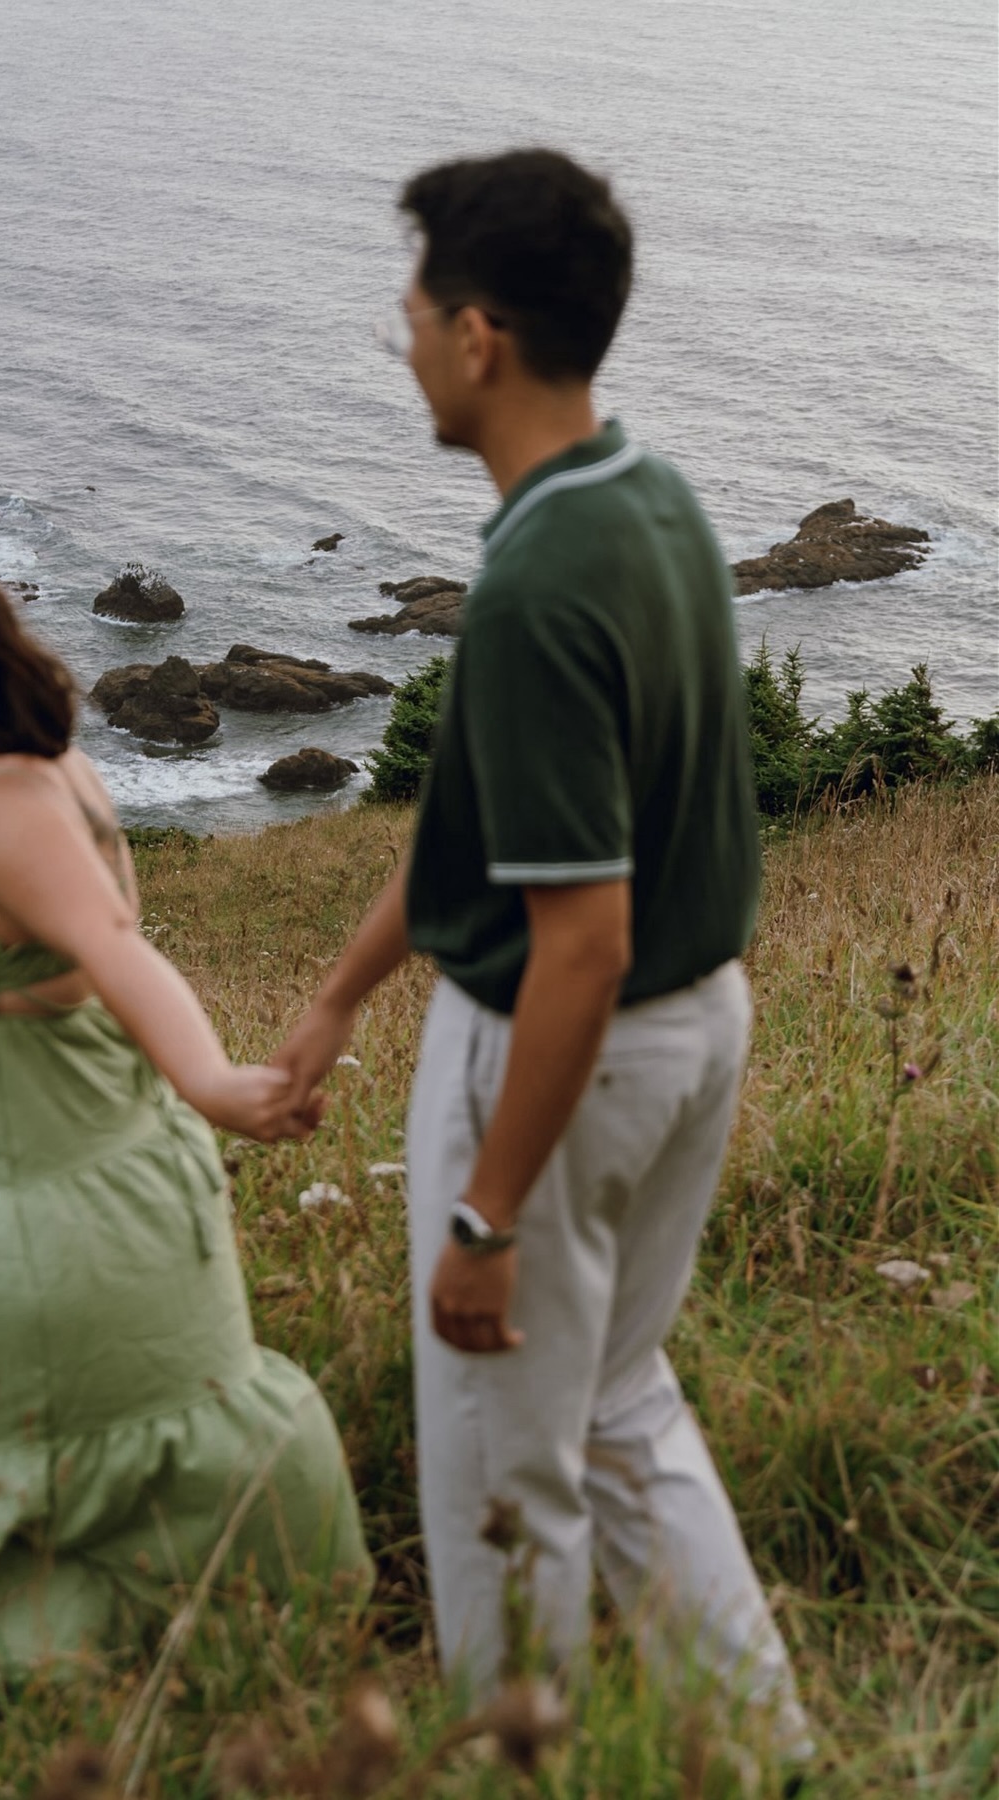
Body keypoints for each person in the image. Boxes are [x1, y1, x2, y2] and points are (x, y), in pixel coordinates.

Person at [274, 149, 812, 1764]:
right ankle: (771, 1757)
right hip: (698, 1031)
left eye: (417, 313)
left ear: (481, 335)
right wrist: (341, 990)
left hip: (563, 1059)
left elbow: (580, 941)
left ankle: (522, 1771)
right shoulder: (649, 498)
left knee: (504, 1478)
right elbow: (485, 807)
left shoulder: (526, 589)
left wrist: (485, 1215)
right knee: (621, 1411)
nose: (409, 340)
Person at [0, 553, 371, 1677]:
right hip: (103, 1177)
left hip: (31, 1210)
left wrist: (215, 1083)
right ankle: (208, 1625)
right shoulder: (61, 772)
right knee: (143, 1441)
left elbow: (114, 947)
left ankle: (32, 1654)